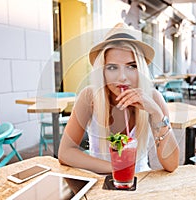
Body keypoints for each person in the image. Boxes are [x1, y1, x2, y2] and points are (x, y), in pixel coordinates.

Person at [58, 23, 179, 174]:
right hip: (100, 183)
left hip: (140, 182)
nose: (122, 77)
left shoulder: (153, 97)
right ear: (102, 71)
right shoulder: (89, 96)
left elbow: (172, 164)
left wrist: (156, 113)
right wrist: (118, 168)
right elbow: (65, 152)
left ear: (140, 69)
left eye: (131, 66)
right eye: (112, 67)